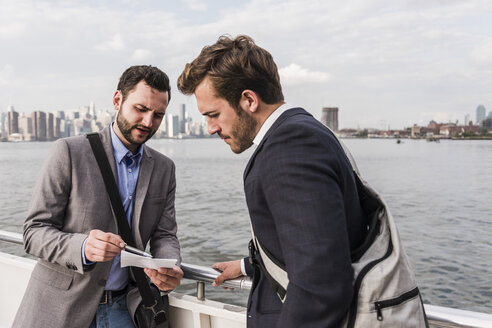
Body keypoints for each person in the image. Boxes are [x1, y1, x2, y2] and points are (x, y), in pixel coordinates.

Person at [177, 35, 368, 327]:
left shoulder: (290, 147)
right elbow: (316, 242)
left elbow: (319, 285)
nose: (211, 128)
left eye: (214, 114)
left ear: (249, 100)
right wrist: (247, 265)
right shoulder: (305, 131)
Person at [13, 65, 184, 328]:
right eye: (140, 109)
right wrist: (82, 247)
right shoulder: (69, 151)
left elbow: (165, 235)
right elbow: (33, 232)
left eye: (158, 115)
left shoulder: (164, 168)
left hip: (125, 309)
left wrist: (170, 267)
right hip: (60, 307)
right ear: (117, 100)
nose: (148, 122)